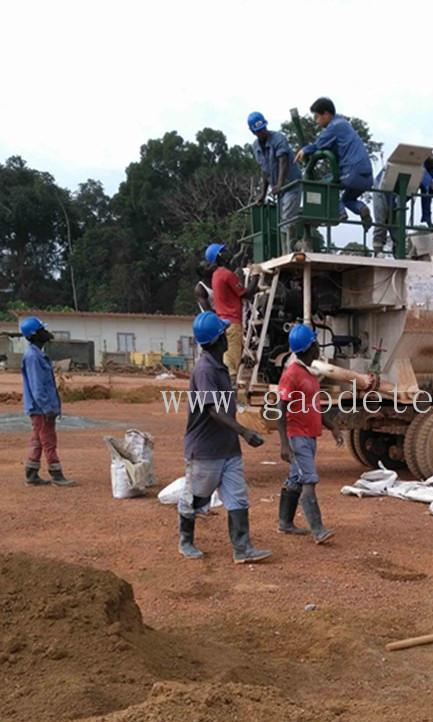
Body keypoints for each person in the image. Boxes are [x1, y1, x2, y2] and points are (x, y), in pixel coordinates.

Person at [178, 311, 271, 563]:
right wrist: (245, 431)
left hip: (228, 448)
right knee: (196, 498)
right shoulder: (205, 369)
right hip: (205, 449)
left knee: (237, 497)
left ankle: (242, 549)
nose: (229, 338)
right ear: (217, 340)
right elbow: (213, 410)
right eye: (225, 334)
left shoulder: (220, 366)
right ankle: (185, 540)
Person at [276, 324, 343, 543]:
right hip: (297, 436)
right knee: (309, 480)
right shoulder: (291, 375)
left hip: (310, 435)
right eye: (315, 343)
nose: (318, 347)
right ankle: (318, 529)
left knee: (296, 478)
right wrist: (284, 443)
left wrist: (331, 426)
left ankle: (285, 523)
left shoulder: (308, 373)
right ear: (309, 347)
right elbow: (280, 409)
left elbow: (314, 406)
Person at [294, 97, 374, 232]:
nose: (316, 121)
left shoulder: (335, 126)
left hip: (352, 173)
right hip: (366, 177)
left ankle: (339, 213)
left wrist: (304, 150)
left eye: (317, 116)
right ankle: (361, 208)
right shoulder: (344, 124)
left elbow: (319, 145)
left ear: (326, 114)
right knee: (347, 199)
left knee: (325, 185)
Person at [19, 316, 76, 487]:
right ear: (35, 334)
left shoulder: (37, 355)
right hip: (40, 408)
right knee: (48, 440)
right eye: (42, 330)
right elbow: (38, 387)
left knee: (38, 440)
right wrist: (47, 408)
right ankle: (56, 475)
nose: (46, 333)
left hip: (39, 407)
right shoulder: (33, 357)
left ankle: (31, 474)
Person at [248, 111, 303, 251]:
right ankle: (294, 247)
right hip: (279, 190)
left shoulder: (278, 139)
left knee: (287, 218)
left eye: (263, 128)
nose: (262, 132)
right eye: (258, 131)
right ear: (253, 132)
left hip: (291, 184)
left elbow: (283, 162)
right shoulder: (256, 147)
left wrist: (279, 184)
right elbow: (264, 170)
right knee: (282, 221)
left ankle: (288, 252)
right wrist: (262, 193)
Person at [206, 242, 258, 388]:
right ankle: (230, 393)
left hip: (223, 322)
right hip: (233, 323)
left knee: (228, 357)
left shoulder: (216, 275)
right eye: (224, 251)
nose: (228, 252)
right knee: (232, 362)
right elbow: (247, 293)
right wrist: (255, 274)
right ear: (220, 256)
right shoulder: (227, 275)